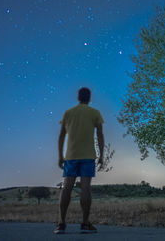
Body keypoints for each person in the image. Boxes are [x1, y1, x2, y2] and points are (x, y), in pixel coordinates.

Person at [54, 87, 105, 234]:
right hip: (88, 156)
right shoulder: (95, 113)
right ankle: (84, 223)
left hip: (71, 156)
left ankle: (61, 224)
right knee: (85, 188)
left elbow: (61, 136)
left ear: (78, 97)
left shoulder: (68, 113)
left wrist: (60, 156)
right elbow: (100, 134)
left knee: (67, 188)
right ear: (89, 98)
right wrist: (101, 155)